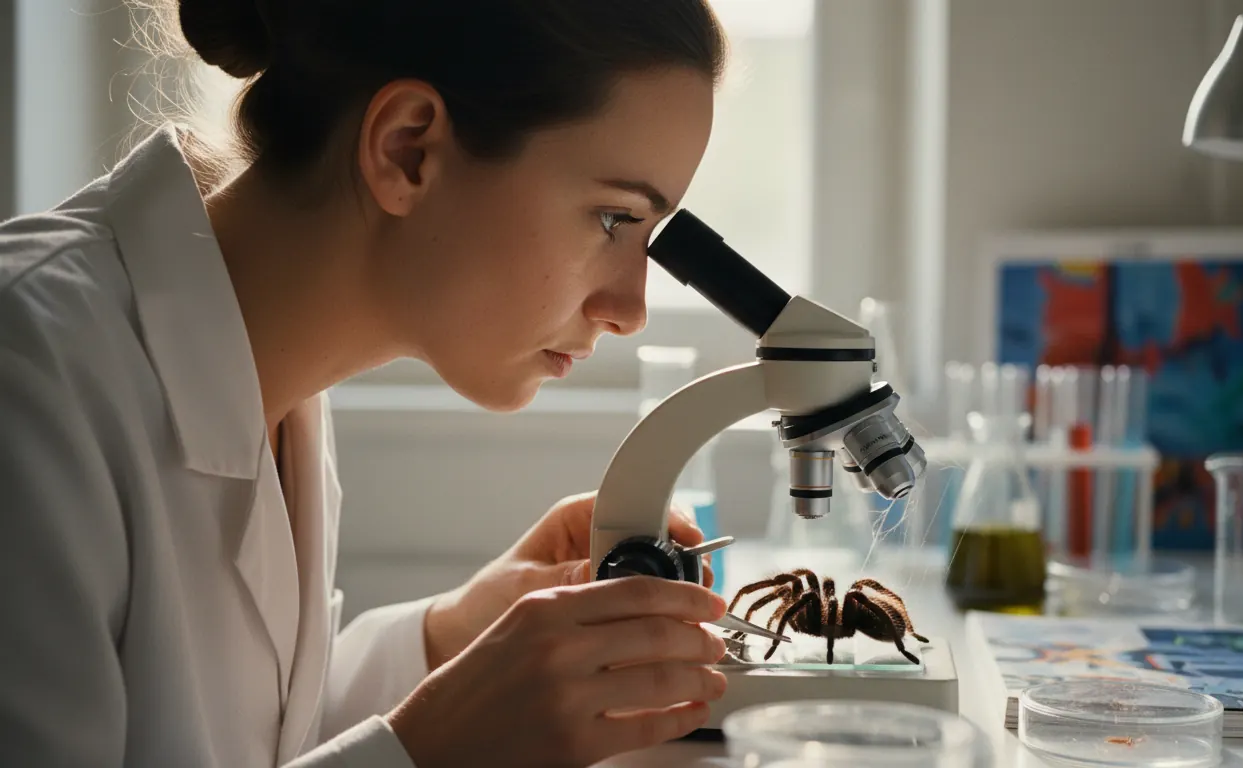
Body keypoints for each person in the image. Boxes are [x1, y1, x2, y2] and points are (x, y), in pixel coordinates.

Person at [0, 1, 734, 766]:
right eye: (614, 219)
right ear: (407, 149)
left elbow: (250, 735)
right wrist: (428, 750)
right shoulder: (27, 376)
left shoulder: (276, 373)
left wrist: (453, 635)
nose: (630, 311)